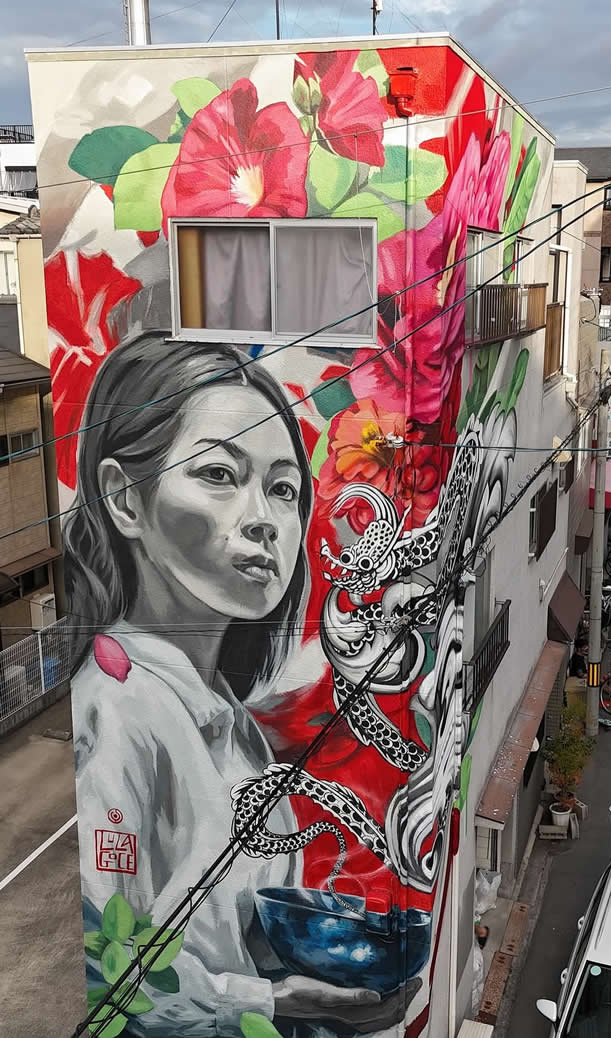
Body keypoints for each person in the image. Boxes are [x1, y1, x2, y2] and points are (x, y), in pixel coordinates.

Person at [66, 333, 413, 1036]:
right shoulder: (120, 707)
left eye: (283, 489)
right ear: (123, 498)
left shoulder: (235, 724)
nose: (264, 521)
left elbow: (241, 926)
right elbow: (116, 971)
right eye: (220, 475)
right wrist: (276, 1002)